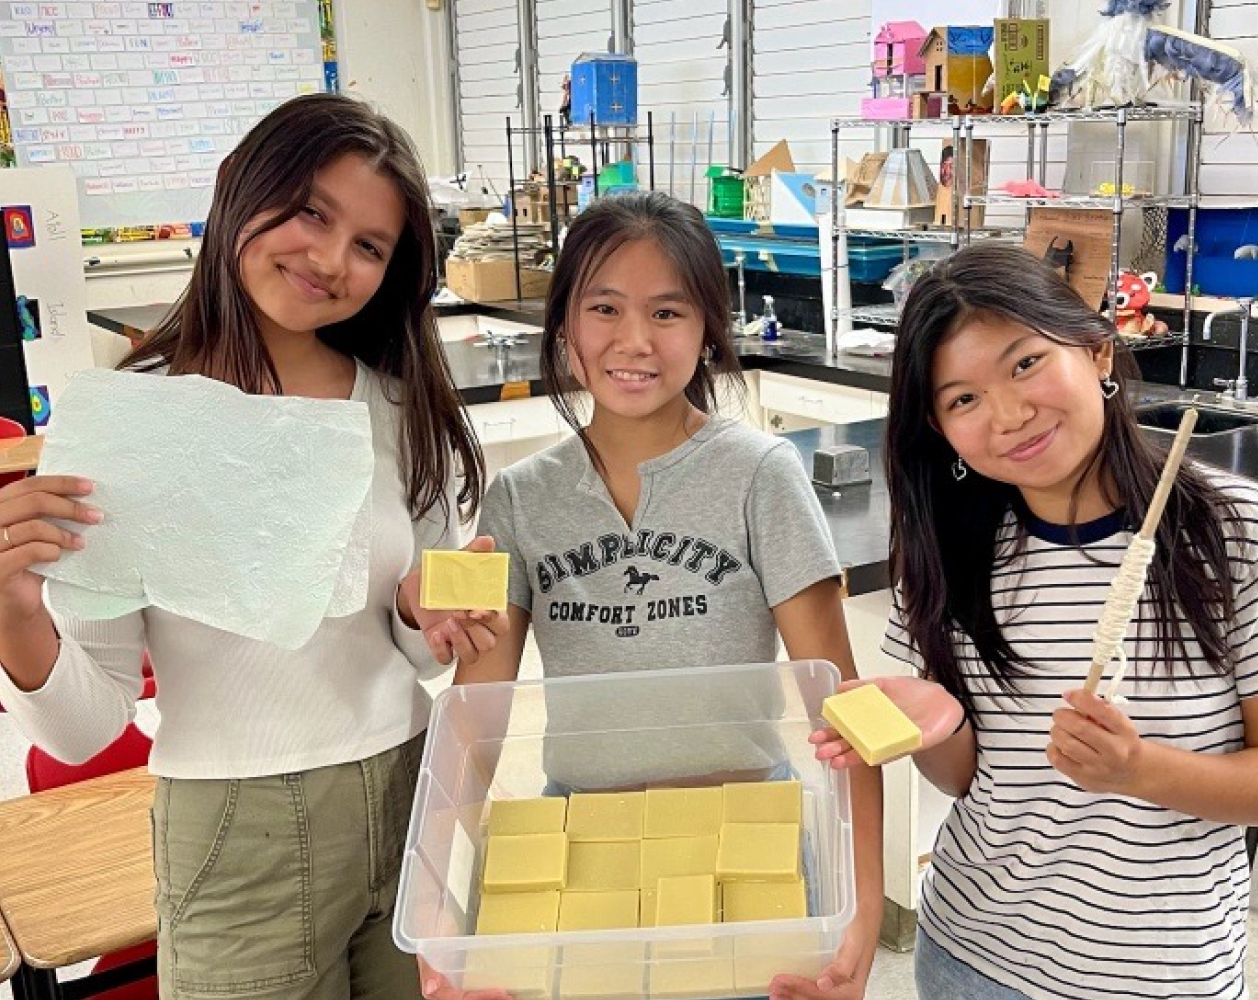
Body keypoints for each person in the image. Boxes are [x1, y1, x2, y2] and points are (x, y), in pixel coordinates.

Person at [0, 93, 507, 1000]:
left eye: (369, 246)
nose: (329, 259)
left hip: (409, 793)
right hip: (235, 831)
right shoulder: (130, 422)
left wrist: (415, 611)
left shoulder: (401, 409)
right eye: (312, 211)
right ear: (240, 186)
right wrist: (13, 612)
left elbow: (424, 650)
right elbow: (85, 730)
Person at [446, 190, 883, 1000]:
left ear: (708, 329)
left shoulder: (761, 474)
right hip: (581, 847)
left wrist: (858, 910)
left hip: (747, 845)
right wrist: (446, 913)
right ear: (565, 329)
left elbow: (842, 708)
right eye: (604, 307)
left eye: (668, 312)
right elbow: (476, 720)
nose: (634, 340)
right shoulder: (518, 500)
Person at [813, 243, 1258, 1000]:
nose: (1009, 416)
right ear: (940, 428)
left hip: (1161, 976)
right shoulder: (949, 552)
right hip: (969, 957)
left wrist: (1138, 771)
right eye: (963, 399)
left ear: (1095, 349)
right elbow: (962, 779)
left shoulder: (1230, 534)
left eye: (1024, 364)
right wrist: (937, 724)